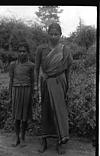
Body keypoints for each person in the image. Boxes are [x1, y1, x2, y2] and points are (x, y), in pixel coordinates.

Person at [35, 23, 73, 154]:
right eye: (51, 33)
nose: (53, 36)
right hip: (46, 83)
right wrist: (36, 87)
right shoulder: (41, 49)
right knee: (45, 112)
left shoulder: (65, 50)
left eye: (56, 34)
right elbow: (37, 68)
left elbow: (68, 70)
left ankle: (59, 142)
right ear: (47, 34)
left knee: (59, 112)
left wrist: (68, 86)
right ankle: (44, 141)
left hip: (60, 82)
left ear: (60, 35)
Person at [9, 41, 35, 147]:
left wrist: (33, 95)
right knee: (16, 116)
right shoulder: (13, 65)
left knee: (24, 116)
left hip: (27, 91)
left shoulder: (31, 65)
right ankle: (17, 137)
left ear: (27, 52)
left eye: (24, 51)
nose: (22, 53)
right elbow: (11, 81)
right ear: (17, 53)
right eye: (20, 51)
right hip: (16, 90)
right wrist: (10, 95)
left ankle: (23, 136)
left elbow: (33, 82)